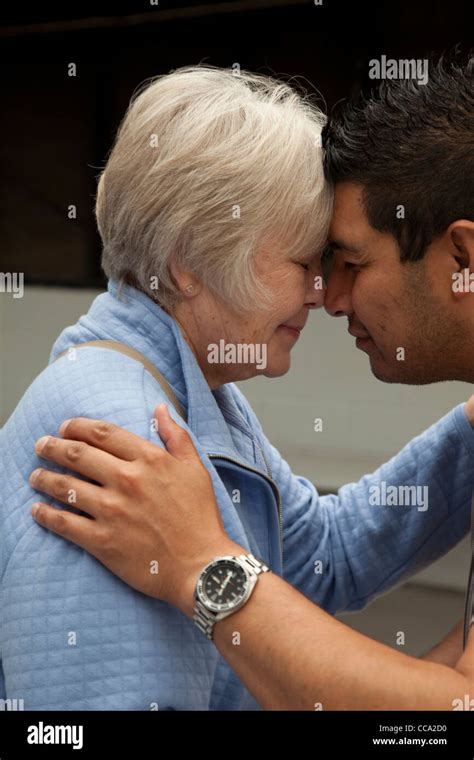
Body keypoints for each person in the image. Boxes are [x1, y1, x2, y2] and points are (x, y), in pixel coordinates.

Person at [3, 62, 473, 712]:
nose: (324, 296)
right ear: (192, 263)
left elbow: (320, 556)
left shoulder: (192, 388)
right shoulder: (126, 437)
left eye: (339, 264)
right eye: (306, 263)